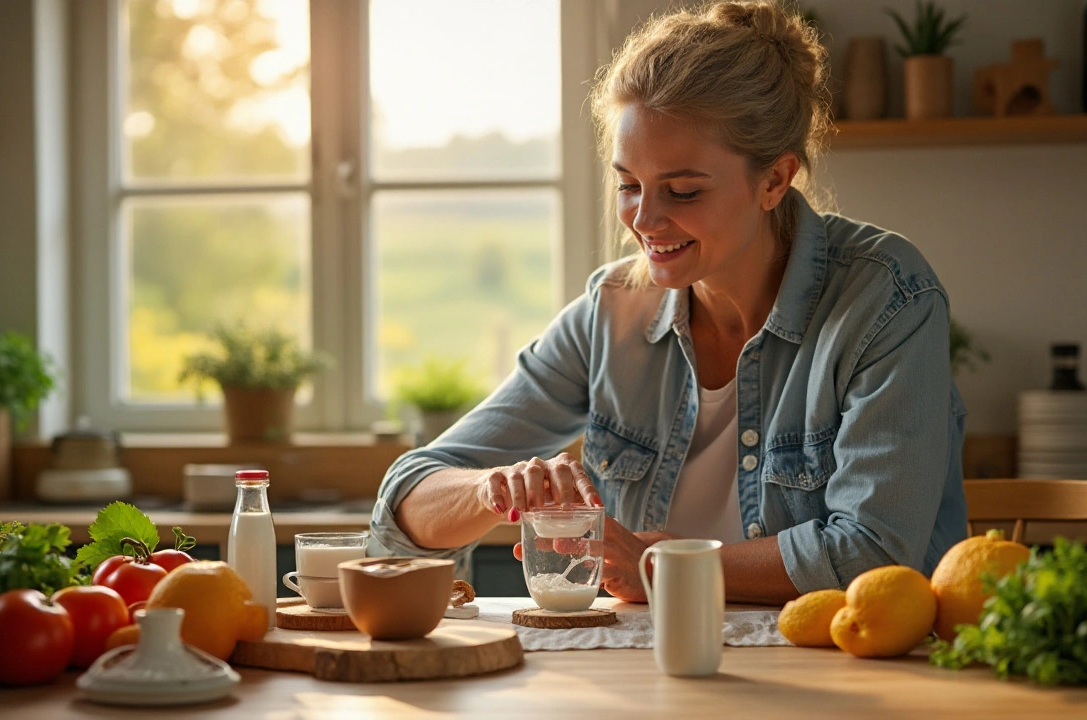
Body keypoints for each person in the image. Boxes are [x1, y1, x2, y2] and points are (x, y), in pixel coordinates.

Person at [370, 0, 967, 605]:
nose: (645, 220)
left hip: (840, 677)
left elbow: (874, 549)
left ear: (774, 181)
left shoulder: (885, 297)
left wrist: (658, 565)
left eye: (682, 190)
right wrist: (494, 487)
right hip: (646, 678)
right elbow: (403, 509)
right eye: (629, 184)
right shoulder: (611, 311)